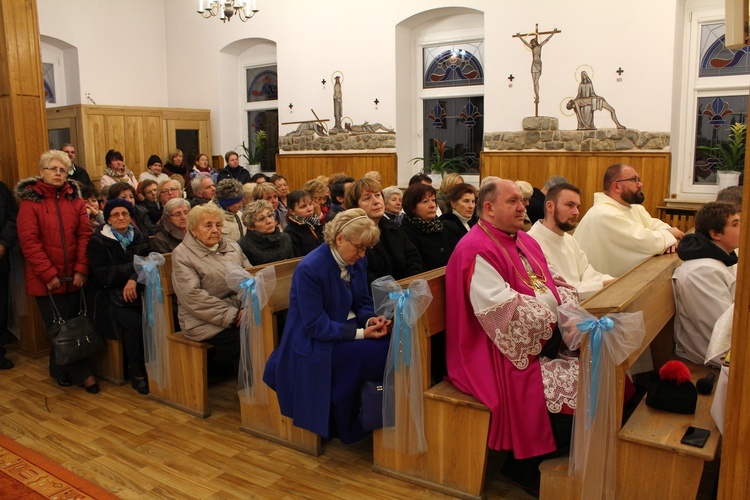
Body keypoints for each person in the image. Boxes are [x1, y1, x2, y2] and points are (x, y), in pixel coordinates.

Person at [445, 179, 578, 494]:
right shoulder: (474, 249)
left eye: (522, 200)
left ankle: (546, 460)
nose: (523, 207)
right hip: (491, 350)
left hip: (535, 340)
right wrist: (556, 324)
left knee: (592, 378)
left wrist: (569, 310)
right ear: (489, 208)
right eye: (514, 201)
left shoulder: (522, 240)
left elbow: (553, 280)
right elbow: (501, 313)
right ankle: (524, 467)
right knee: (569, 395)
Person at [263, 208, 390, 444]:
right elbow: (315, 325)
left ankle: (371, 413)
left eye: (366, 249)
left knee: (390, 344)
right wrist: (363, 333)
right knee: (371, 353)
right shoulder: (311, 268)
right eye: (359, 248)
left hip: (344, 328)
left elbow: (362, 300)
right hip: (313, 340)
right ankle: (346, 423)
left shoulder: (356, 260)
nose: (362, 255)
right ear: (339, 239)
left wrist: (371, 319)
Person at [16, 150, 98, 392]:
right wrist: (49, 274)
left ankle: (59, 369)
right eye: (53, 169)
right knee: (60, 327)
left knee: (69, 325)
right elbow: (29, 242)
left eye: (62, 169)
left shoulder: (75, 200)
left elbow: (84, 234)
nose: (58, 173)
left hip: (74, 274)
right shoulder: (30, 203)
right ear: (42, 172)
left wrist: (82, 269)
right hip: (46, 278)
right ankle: (87, 376)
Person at [172, 204, 250, 377]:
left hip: (240, 312)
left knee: (275, 329)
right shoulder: (182, 255)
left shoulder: (231, 246)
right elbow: (192, 296)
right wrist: (234, 315)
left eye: (218, 225)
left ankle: (268, 389)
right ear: (193, 229)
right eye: (208, 225)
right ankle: (249, 396)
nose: (215, 230)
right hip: (202, 320)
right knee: (246, 341)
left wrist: (247, 306)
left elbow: (250, 278)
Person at [574, 163, 685, 277]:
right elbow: (643, 241)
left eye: (639, 179)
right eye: (634, 180)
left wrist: (668, 232)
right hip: (601, 290)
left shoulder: (633, 208)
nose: (640, 184)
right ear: (617, 186)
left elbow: (654, 224)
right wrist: (669, 235)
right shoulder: (603, 214)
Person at [87, 198, 152, 394]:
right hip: (108, 297)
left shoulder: (139, 235)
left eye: (124, 213)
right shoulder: (98, 241)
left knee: (157, 317)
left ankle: (154, 365)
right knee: (134, 323)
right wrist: (134, 266)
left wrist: (133, 278)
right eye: (115, 214)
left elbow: (148, 264)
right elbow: (104, 276)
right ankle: (137, 371)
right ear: (107, 219)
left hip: (137, 291)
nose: (121, 217)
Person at [673, 202, 739, 367]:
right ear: (716, 234)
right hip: (712, 353)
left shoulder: (720, 259)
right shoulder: (701, 272)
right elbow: (720, 331)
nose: (743, 229)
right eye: (735, 224)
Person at [527, 183, 615, 299]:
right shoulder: (530, 243)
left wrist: (613, 281)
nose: (576, 212)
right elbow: (555, 291)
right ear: (550, 207)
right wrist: (602, 285)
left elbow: (587, 273)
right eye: (569, 205)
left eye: (577, 207)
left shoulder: (569, 240)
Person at [345, 177, 423, 285]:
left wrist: (410, 284)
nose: (376, 201)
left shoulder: (393, 228)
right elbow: (361, 273)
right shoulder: (353, 236)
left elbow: (413, 257)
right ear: (355, 206)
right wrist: (390, 290)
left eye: (377, 195)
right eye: (367, 198)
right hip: (374, 296)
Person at [400, 182, 462, 271]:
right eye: (425, 201)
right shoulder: (405, 233)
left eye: (433, 200)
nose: (432, 205)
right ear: (412, 207)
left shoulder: (443, 228)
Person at [238, 200, 294, 265]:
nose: (269, 221)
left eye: (270, 215)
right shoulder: (243, 246)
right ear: (250, 226)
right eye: (261, 219)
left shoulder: (285, 238)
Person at [515, 29, 558, 105]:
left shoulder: (540, 46)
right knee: (534, 82)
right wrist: (519, 37)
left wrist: (553, 33)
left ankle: (537, 96)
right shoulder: (532, 48)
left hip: (538, 65)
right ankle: (537, 96)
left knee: (536, 82)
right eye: (531, 43)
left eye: (532, 42)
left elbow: (547, 40)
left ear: (535, 42)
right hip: (533, 64)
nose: (532, 43)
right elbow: (525, 43)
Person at [0, 181, 17, 369]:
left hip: (1, 258)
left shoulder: (2, 188)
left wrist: (4, 243)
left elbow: (12, 218)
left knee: (1, 308)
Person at [285, 189, 323, 257]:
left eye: (310, 204)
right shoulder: (290, 232)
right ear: (292, 211)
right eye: (303, 206)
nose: (309, 209)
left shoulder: (315, 223)